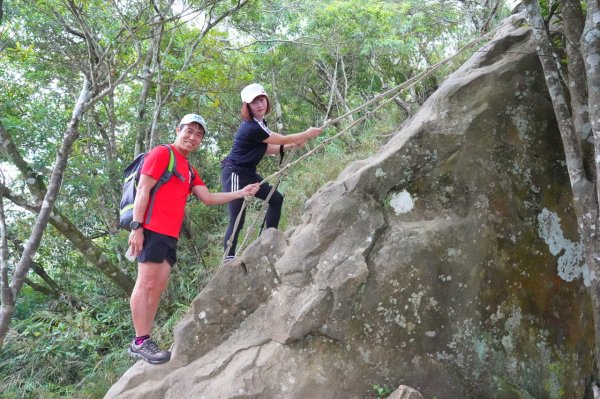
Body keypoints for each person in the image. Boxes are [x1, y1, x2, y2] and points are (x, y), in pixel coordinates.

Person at [127, 114, 259, 364]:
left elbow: (207, 198)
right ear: (178, 130)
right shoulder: (162, 154)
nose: (193, 137)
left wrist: (241, 192)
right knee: (145, 283)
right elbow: (143, 189)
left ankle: (146, 338)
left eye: (198, 135)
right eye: (189, 131)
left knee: (158, 285)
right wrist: (137, 227)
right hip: (151, 228)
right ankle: (140, 341)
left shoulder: (188, 169)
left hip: (170, 234)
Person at [220, 83, 323, 262]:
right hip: (235, 173)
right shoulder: (252, 126)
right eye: (254, 102)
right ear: (248, 107)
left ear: (266, 100)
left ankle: (270, 240)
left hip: (249, 173)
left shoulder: (260, 124)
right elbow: (281, 139)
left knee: (275, 199)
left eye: (262, 100)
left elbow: (266, 148)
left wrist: (291, 146)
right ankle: (228, 258)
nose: (259, 105)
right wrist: (305, 134)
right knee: (237, 217)